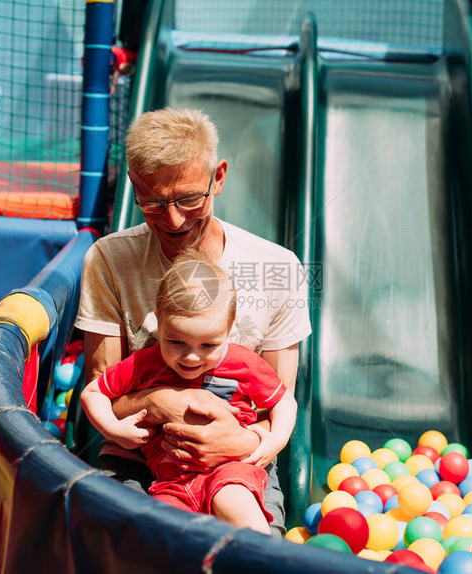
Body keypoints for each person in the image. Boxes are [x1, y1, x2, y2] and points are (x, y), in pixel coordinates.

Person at [74, 107, 312, 534]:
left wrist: (245, 442)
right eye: (152, 201)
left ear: (217, 177)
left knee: (255, 555)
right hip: (141, 459)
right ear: (133, 187)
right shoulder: (110, 260)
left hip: (237, 464)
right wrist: (155, 402)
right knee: (125, 544)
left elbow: (278, 400)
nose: (174, 218)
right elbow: (104, 391)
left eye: (188, 198)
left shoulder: (279, 268)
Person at [81, 254, 297, 533]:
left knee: (234, 503)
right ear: (159, 322)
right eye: (176, 341)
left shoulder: (242, 363)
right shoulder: (144, 363)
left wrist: (273, 442)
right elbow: (93, 392)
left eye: (208, 345)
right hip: (171, 480)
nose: (192, 357)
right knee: (161, 532)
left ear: (229, 330)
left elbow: (283, 401)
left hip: (230, 469)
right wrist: (113, 429)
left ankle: (258, 559)